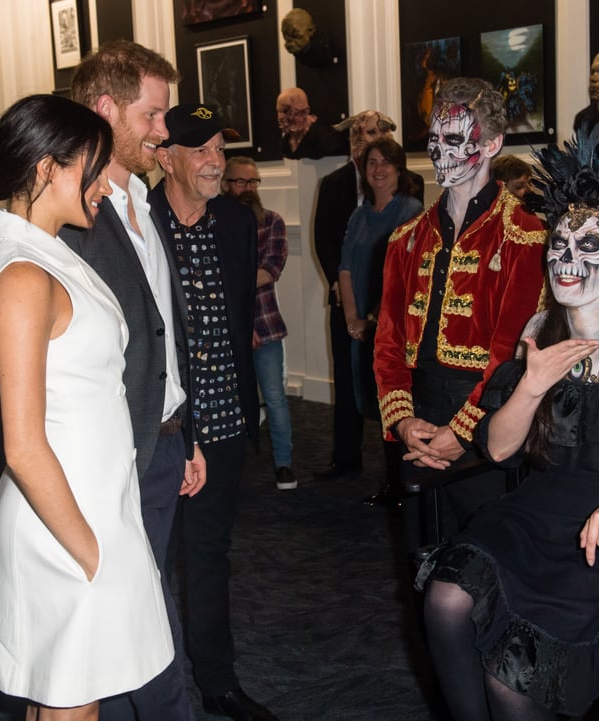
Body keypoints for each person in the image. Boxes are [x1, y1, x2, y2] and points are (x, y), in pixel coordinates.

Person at [416, 123, 599, 720]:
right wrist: (532, 385)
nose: (569, 260)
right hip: (541, 509)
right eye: (560, 246)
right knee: (446, 599)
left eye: (591, 247)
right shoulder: (540, 330)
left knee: (515, 677)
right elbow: (503, 450)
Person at [0, 93, 174, 720]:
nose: (101, 184)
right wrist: (89, 550)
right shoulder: (23, 276)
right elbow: (23, 444)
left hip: (92, 507)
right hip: (63, 523)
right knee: (72, 708)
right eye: (91, 166)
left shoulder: (47, 253)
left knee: (60, 701)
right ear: (45, 169)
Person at [58, 40, 200, 721]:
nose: (163, 131)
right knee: (140, 622)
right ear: (105, 108)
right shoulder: (71, 218)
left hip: (163, 445)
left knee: (133, 615)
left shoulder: (143, 197)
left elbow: (161, 331)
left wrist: (186, 432)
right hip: (113, 456)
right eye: (152, 114)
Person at [373, 77, 548, 541]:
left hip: (490, 418)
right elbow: (388, 342)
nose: (439, 151)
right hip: (418, 411)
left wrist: (463, 432)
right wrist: (403, 420)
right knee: (420, 554)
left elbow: (511, 353)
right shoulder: (404, 239)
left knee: (484, 564)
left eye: (454, 139)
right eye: (434, 138)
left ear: (491, 144)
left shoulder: (525, 237)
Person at [150, 102, 278, 721]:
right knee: (146, 559)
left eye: (220, 150)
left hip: (224, 418)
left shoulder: (234, 220)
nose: (214, 161)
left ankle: (217, 680)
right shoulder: (137, 221)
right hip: (160, 427)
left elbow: (234, 321)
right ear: (164, 156)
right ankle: (147, 684)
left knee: (208, 553)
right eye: (200, 149)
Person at [312, 109, 424, 480]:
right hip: (348, 305)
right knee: (348, 384)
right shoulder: (337, 188)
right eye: (360, 136)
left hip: (388, 316)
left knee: (391, 393)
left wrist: (374, 317)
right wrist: (349, 311)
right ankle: (346, 458)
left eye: (375, 134)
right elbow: (327, 245)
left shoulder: (411, 200)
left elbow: (407, 265)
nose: (376, 166)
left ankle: (398, 474)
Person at [337, 137, 423, 506]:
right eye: (372, 162)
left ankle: (402, 483)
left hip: (396, 327)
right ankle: (391, 479)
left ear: (399, 169)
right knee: (370, 401)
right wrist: (353, 319)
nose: (379, 169)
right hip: (362, 327)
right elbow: (344, 269)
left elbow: (408, 275)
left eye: (386, 162)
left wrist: (374, 318)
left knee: (398, 401)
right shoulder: (359, 215)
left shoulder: (411, 209)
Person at [221, 156, 296, 491]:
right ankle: (230, 465)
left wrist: (228, 282)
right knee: (227, 400)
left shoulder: (274, 222)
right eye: (240, 182)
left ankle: (284, 464)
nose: (248, 189)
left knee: (275, 398)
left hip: (265, 327)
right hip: (224, 331)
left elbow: (270, 271)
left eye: (253, 182)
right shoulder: (214, 223)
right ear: (225, 184)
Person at [275, 87, 347, 160]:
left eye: (286, 110)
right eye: (278, 111)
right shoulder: (287, 143)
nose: (280, 118)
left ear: (305, 111)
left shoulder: (322, 137)